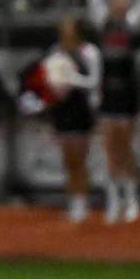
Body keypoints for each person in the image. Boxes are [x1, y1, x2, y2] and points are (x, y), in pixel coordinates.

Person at [77, 0, 140, 224]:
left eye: (124, 1)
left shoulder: (132, 25)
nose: (119, 6)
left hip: (127, 93)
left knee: (125, 147)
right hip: (108, 93)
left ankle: (132, 196)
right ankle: (113, 199)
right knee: (109, 149)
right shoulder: (104, 23)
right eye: (116, 1)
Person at [43, 16, 102, 223]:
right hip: (62, 109)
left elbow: (94, 81)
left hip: (80, 109)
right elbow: (48, 77)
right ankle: (72, 198)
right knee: (68, 159)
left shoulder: (89, 52)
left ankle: (82, 199)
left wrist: (72, 79)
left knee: (79, 158)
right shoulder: (56, 52)